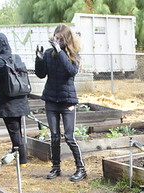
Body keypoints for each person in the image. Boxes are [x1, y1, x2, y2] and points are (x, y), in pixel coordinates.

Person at [35, 24, 86, 182]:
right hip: (51, 99)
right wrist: (39, 58)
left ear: (67, 40)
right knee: (54, 136)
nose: (56, 41)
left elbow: (71, 71)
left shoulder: (73, 55)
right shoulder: (50, 53)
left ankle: (81, 168)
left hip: (67, 101)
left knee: (69, 136)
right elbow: (41, 74)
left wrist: (59, 51)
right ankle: (55, 167)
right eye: (55, 38)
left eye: (60, 39)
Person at [0, 33, 30, 166]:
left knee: (14, 130)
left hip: (7, 100)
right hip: (21, 97)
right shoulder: (16, 57)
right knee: (18, 129)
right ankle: (16, 150)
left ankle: (22, 159)